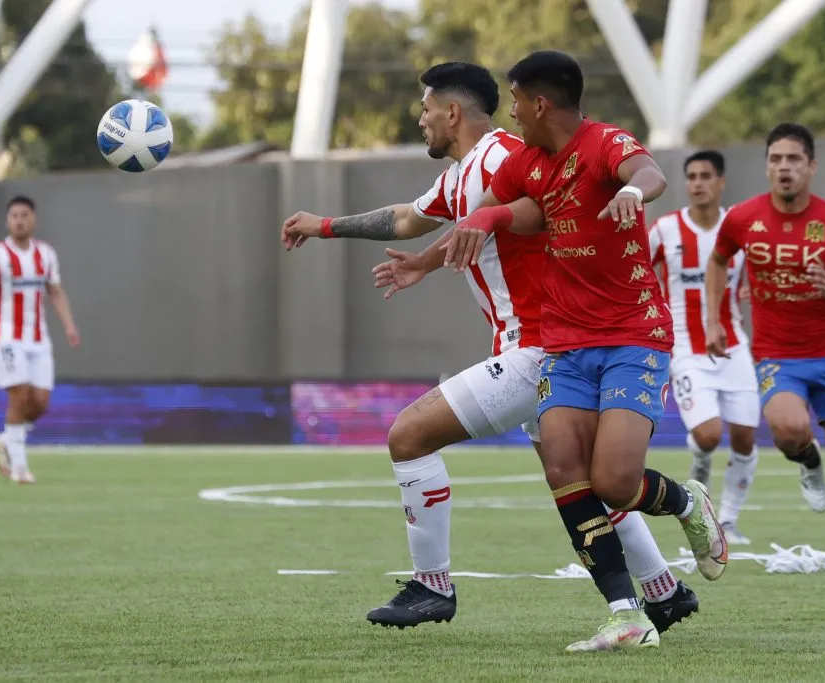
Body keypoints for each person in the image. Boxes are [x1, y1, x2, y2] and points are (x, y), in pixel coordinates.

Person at [281, 62, 698, 636]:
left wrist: (622, 198)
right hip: (537, 343)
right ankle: (662, 591)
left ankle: (432, 586)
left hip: (545, 345)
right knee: (578, 479)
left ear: (452, 112)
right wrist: (325, 225)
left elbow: (558, 206)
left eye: (425, 109)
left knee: (410, 434)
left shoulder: (506, 155)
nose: (420, 119)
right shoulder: (463, 175)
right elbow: (409, 219)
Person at [440, 50, 727, 652]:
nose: (510, 112)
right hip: (564, 343)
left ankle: (685, 502)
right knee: (564, 469)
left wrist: (635, 194)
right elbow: (524, 211)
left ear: (539, 102)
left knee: (616, 483)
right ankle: (627, 613)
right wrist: (486, 217)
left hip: (632, 336)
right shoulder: (528, 160)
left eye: (515, 100)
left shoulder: (605, 143)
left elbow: (651, 173)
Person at [704, 123, 825, 573]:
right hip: (778, 355)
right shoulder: (742, 217)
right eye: (776, 159)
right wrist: (713, 320)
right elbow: (718, 259)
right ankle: (807, 461)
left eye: (793, 159)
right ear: (767, 167)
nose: (784, 168)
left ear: (811, 167)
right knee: (788, 428)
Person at [648, 150, 759, 545]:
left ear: (720, 181)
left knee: (746, 434)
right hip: (685, 349)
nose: (697, 183)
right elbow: (638, 271)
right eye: (691, 176)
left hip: (733, 346)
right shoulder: (665, 230)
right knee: (710, 435)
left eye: (705, 176)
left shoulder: (741, 229)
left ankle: (728, 520)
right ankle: (701, 484)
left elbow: (754, 276)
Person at [0, 195, 81, 484]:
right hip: (6, 336)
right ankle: (19, 468)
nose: (19, 220)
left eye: (24, 215)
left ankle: (7, 438)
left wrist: (69, 325)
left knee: (40, 402)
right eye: (14, 216)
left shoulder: (45, 254)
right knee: (19, 395)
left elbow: (55, 291)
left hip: (38, 337)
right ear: (8, 221)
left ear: (34, 219)